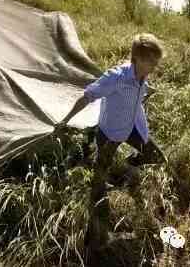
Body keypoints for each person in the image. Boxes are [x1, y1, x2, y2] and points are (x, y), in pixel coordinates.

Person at [54, 33, 167, 259]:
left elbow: (139, 91)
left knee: (157, 157)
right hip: (110, 135)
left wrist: (145, 91)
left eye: (156, 61)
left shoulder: (142, 76)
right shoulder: (116, 77)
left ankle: (128, 165)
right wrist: (65, 121)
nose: (154, 66)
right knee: (98, 184)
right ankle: (92, 240)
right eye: (151, 62)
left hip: (133, 128)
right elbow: (88, 96)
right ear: (137, 59)